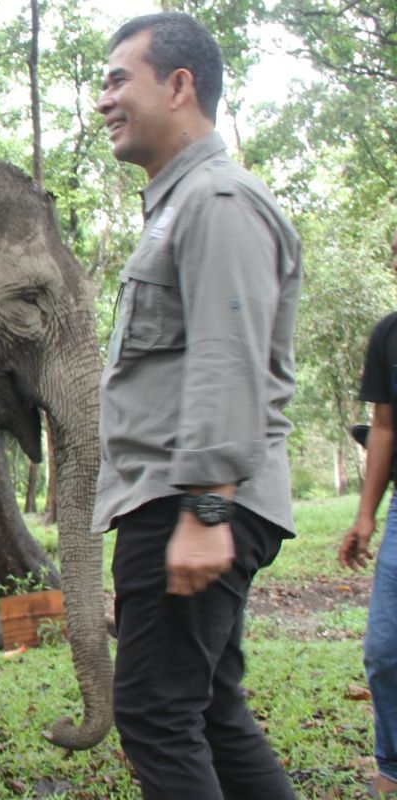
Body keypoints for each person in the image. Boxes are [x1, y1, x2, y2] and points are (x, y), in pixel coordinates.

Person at [91, 12, 303, 799]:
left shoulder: (216, 200)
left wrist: (207, 510)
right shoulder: (179, 204)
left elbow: (229, 354)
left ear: (179, 86)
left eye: (119, 79)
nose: (104, 99)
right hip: (176, 499)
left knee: (154, 712)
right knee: (209, 710)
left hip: (194, 499)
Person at [340, 228, 397, 799]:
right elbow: (383, 426)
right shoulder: (389, 334)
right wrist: (366, 514)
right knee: (384, 650)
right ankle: (393, 765)